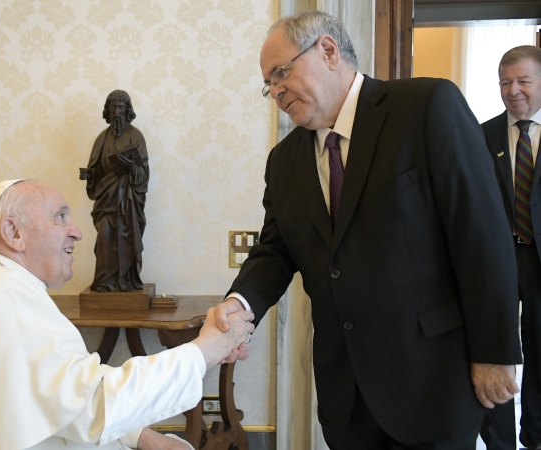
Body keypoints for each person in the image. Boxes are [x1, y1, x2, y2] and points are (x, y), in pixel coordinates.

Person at [215, 11, 522, 449]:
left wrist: (494, 352)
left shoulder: (426, 107)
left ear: (328, 51)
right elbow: (275, 251)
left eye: (282, 72)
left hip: (431, 380)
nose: (276, 90)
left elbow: (481, 235)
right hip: (346, 392)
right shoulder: (284, 162)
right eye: (269, 83)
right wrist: (238, 304)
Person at [0, 179, 254, 450]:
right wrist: (208, 348)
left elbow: (59, 399)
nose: (78, 232)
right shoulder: (0, 294)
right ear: (14, 234)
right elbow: (90, 402)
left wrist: (139, 436)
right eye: (60, 217)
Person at [480, 45, 541, 450]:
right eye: (505, 82)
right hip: (494, 262)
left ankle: (535, 438)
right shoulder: (478, 135)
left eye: (523, 81)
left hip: (538, 261)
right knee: (495, 351)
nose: (513, 90)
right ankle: (499, 443)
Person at [80, 90, 148, 293]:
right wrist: (90, 175)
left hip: (127, 202)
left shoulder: (135, 136)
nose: (117, 112)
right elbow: (98, 170)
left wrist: (130, 167)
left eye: (121, 107)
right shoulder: (102, 138)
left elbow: (143, 173)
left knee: (126, 239)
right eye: (113, 107)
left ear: (127, 109)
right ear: (108, 110)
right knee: (105, 236)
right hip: (106, 202)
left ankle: (126, 280)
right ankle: (104, 281)